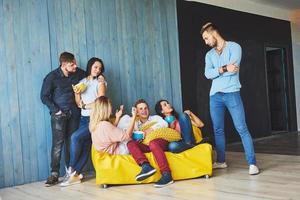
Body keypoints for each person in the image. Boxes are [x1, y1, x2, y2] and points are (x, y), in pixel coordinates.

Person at [201, 22, 259, 175]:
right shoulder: (209, 55)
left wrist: (218, 71)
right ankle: (221, 161)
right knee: (218, 130)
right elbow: (208, 74)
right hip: (215, 96)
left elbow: (234, 72)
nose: (206, 42)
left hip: (232, 93)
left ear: (213, 33)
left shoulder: (235, 47)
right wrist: (225, 68)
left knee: (242, 128)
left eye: (206, 38)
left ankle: (252, 163)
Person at [60, 57, 107, 187]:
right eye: (95, 67)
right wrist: (76, 93)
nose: (97, 70)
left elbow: (100, 101)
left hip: (96, 118)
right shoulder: (82, 82)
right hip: (84, 118)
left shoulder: (101, 82)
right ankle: (76, 175)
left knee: (75, 137)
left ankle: (71, 169)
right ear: (90, 66)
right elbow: (78, 103)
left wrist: (86, 106)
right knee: (86, 145)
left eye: (100, 68)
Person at [40, 52, 85, 186]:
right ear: (64, 65)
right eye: (72, 64)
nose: (75, 66)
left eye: (75, 63)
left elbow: (91, 74)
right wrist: (57, 110)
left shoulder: (78, 73)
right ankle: (54, 174)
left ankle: (70, 172)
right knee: (58, 145)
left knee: (72, 143)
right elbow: (44, 96)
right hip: (59, 116)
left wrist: (101, 78)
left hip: (74, 114)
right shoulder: (52, 77)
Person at [126, 99, 173, 188]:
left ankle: (167, 175)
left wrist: (150, 130)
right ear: (137, 112)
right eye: (141, 109)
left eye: (145, 108)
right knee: (130, 143)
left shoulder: (155, 118)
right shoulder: (135, 123)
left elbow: (165, 124)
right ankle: (146, 166)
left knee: (153, 143)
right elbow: (128, 134)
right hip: (147, 145)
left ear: (148, 109)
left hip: (160, 143)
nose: (144, 111)